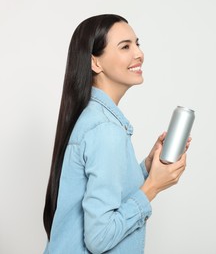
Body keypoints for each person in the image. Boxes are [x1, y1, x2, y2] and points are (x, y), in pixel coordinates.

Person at [43, 14, 190, 253]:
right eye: (125, 46)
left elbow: (102, 192)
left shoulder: (94, 120)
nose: (139, 53)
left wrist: (146, 168)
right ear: (95, 63)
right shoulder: (105, 130)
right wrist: (152, 186)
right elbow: (99, 238)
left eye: (137, 43)